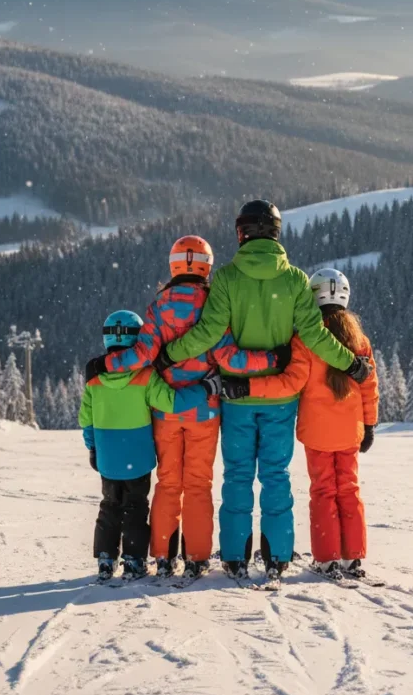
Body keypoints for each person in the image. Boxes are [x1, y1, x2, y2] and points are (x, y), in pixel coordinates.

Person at [162, 201, 369, 581]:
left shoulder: (225, 279)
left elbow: (207, 334)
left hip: (237, 398)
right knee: (275, 475)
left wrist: (168, 354)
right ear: (276, 232)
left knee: (238, 475)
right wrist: (349, 363)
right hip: (280, 399)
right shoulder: (292, 280)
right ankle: (277, 556)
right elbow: (315, 336)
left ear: (242, 233)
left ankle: (237, 556)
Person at [91, 237, 277, 579]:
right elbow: (228, 356)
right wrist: (270, 358)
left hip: (165, 410)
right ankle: (196, 556)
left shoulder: (159, 306)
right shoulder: (215, 304)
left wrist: (107, 364)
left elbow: (143, 355)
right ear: (206, 265)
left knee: (167, 483)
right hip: (204, 409)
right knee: (198, 484)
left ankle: (162, 554)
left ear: (173, 264)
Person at [223, 268, 379, 578]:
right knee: (348, 489)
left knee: (323, 491)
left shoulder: (307, 339)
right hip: (350, 431)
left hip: (318, 434)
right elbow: (369, 384)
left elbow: (288, 384)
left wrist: (249, 387)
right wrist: (369, 424)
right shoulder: (359, 340)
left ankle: (327, 557)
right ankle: (353, 556)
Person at [79, 308, 220, 582]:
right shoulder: (145, 377)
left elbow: (86, 420)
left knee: (109, 505)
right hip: (139, 460)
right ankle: (134, 560)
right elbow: (172, 402)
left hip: (108, 460)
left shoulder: (95, 381)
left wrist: (93, 448)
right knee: (135, 507)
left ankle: (106, 559)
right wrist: (206, 388)